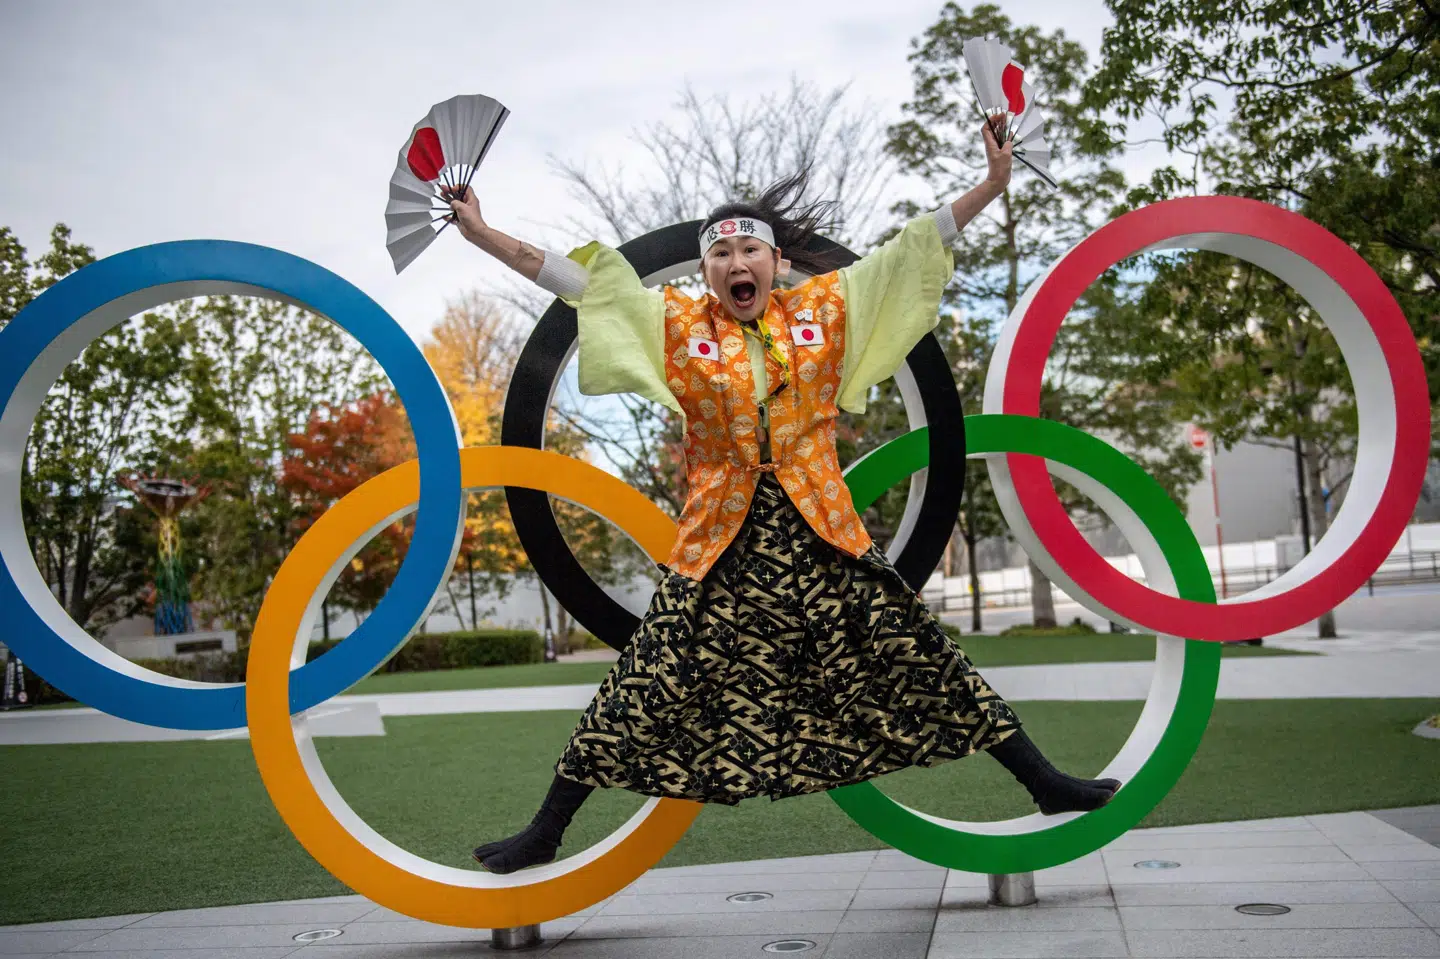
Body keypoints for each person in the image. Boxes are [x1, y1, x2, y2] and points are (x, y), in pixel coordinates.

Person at [443, 121, 1120, 875]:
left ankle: (1044, 782)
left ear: (776, 261)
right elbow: (578, 279)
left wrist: (992, 184)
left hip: (822, 532)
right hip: (719, 544)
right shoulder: (674, 322)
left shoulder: (822, 312)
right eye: (721, 253)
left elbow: (908, 250)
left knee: (920, 652)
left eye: (749, 250)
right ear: (705, 270)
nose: (737, 263)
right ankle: (545, 830)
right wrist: (481, 235)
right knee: (648, 676)